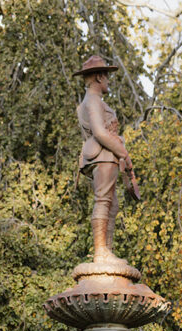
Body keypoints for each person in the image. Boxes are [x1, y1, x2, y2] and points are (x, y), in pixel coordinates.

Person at [74, 54, 135, 263]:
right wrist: (121, 152)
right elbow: (100, 133)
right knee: (104, 200)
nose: (109, 81)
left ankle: (106, 252)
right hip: (103, 155)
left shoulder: (92, 101)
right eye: (107, 77)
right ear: (99, 77)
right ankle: (101, 252)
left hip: (104, 155)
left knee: (112, 203)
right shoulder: (93, 100)